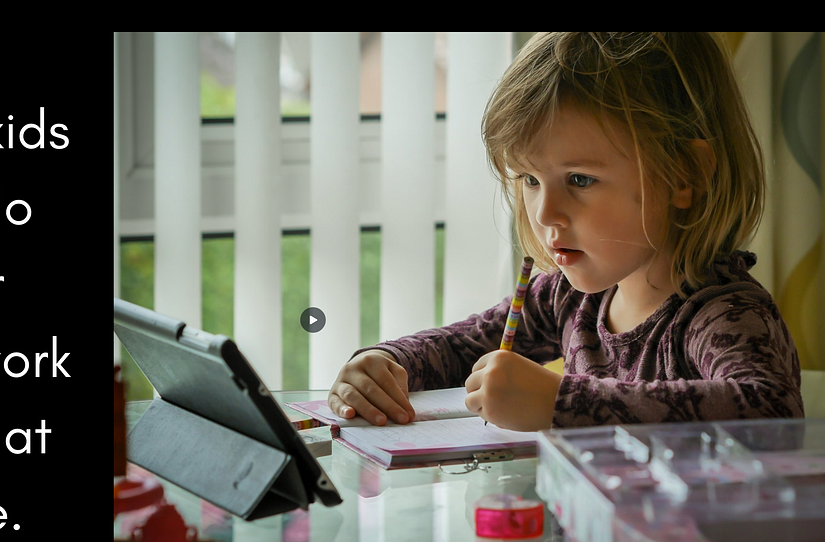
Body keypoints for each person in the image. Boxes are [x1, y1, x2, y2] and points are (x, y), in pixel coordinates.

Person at [328, 32, 804, 431]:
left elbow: (771, 412)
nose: (545, 213)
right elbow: (456, 348)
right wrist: (385, 363)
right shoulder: (565, 298)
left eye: (580, 179)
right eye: (530, 180)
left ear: (684, 176)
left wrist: (562, 402)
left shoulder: (723, 312)